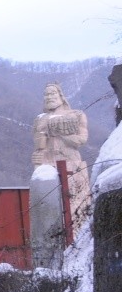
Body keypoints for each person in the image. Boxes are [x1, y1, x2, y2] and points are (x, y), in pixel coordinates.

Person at [31, 82, 90, 222]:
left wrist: (60, 134)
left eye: (52, 93)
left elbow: (81, 139)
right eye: (46, 94)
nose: (49, 97)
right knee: (47, 207)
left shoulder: (76, 115)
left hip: (71, 162)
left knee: (76, 205)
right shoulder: (39, 119)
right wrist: (36, 156)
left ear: (60, 95)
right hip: (46, 164)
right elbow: (38, 144)